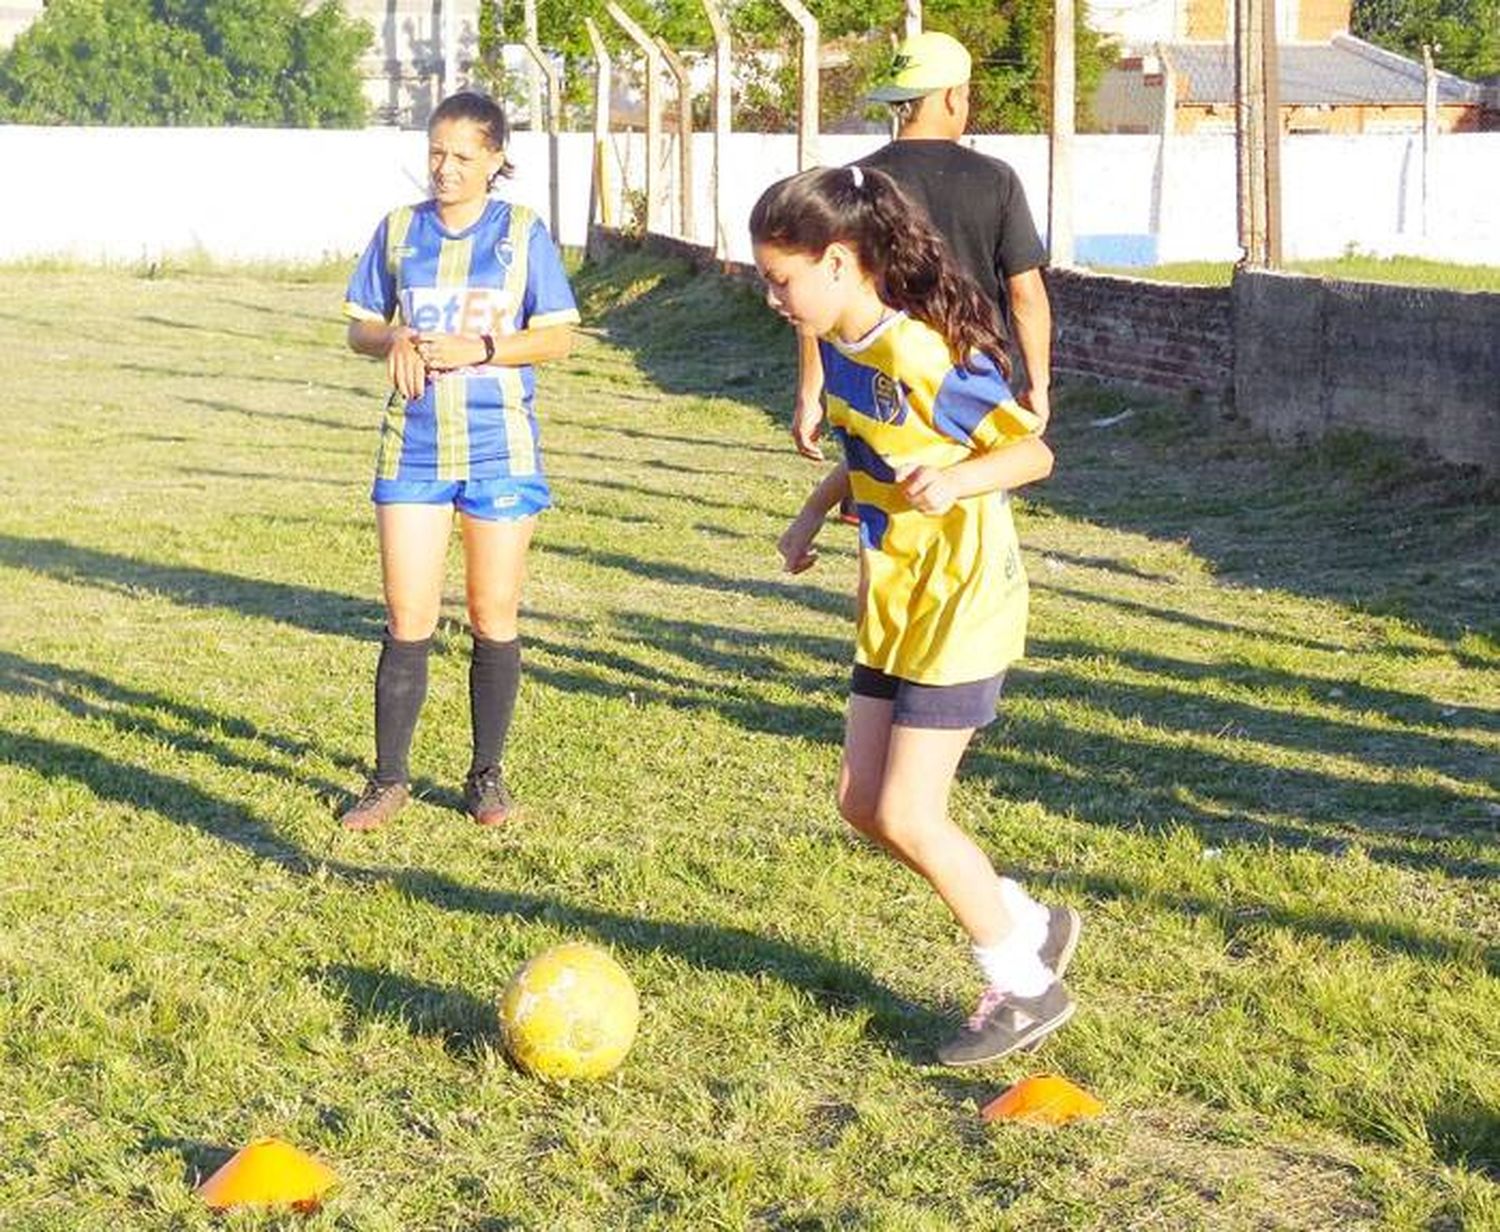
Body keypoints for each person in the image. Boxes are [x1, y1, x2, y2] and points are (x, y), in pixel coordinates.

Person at [753, 165, 1079, 1065]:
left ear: (840, 262)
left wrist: (957, 479)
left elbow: (1031, 454)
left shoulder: (925, 352)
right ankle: (1023, 918)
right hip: (896, 603)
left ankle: (1024, 985)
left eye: (782, 279)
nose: (773, 297)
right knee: (863, 803)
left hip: (962, 601)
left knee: (909, 812)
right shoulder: (850, 350)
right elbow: (873, 456)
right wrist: (814, 513)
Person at [337, 91, 579, 832]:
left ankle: (485, 776)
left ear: (496, 160)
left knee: (490, 612)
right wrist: (396, 342)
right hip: (412, 446)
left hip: (500, 449)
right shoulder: (399, 230)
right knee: (409, 615)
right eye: (436, 153)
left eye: (462, 157)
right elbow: (361, 328)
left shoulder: (523, 234)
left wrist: (481, 348)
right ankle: (387, 780)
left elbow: (559, 336)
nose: (444, 169)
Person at [791, 30, 1054, 468]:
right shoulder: (997, 180)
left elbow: (821, 293)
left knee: (883, 511)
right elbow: (1027, 295)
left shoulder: (859, 183)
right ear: (954, 96)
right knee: (965, 508)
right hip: (970, 380)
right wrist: (1038, 384)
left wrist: (810, 392)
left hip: (881, 375)